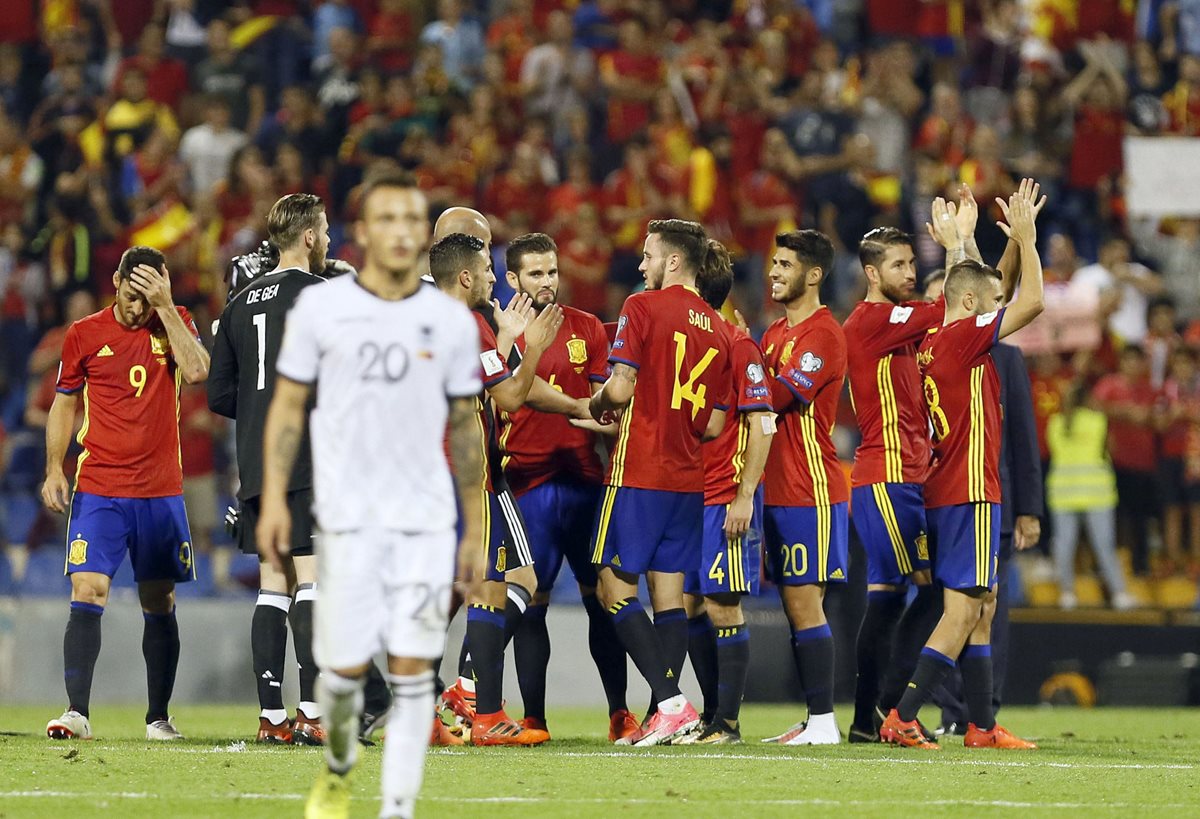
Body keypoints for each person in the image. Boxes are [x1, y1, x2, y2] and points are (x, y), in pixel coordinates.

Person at [255, 170, 486, 819]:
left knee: (413, 673)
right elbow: (287, 406)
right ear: (363, 231)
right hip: (347, 516)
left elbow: (466, 426)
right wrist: (273, 497)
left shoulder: (448, 321)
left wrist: (474, 528)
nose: (400, 231)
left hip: (424, 519)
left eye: (411, 219)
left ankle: (397, 806)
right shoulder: (323, 309)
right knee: (343, 669)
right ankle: (337, 767)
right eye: (387, 218)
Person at [879, 188, 1044, 750]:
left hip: (946, 488)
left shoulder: (934, 339)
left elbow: (976, 286)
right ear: (974, 305)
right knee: (964, 608)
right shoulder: (964, 339)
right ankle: (903, 716)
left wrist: (960, 243)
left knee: (983, 606)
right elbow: (1032, 302)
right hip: (970, 491)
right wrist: (1026, 238)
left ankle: (981, 725)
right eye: (993, 302)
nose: (1001, 305)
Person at [43, 245, 210, 741]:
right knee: (87, 588)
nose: (137, 308)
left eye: (146, 297)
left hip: (160, 491)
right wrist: (54, 468)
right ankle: (76, 713)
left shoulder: (174, 322)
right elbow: (63, 403)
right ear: (115, 282)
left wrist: (166, 306)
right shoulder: (84, 333)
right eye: (130, 295)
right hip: (100, 488)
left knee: (158, 599)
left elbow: (198, 371)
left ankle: (158, 717)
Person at [429, 230, 589, 745]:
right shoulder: (467, 324)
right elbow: (513, 397)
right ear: (465, 276)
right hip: (466, 472)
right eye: (487, 270)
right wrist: (532, 345)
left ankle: (425, 714)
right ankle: (486, 713)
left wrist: (505, 345)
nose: (494, 279)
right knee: (490, 587)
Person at [589, 218, 731, 747]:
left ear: (673, 261)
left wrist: (596, 404)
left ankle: (670, 702)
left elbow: (620, 388)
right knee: (669, 599)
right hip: (687, 479)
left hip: (638, 472)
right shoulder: (720, 328)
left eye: (648, 255)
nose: (641, 264)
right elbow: (713, 425)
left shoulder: (642, 306)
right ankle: (662, 717)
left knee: (612, 588)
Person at [497, 232, 637, 742]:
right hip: (526, 482)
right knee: (530, 600)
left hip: (583, 481)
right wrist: (580, 407)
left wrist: (611, 420)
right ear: (513, 278)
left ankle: (619, 713)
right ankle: (533, 718)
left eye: (552, 272)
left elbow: (605, 406)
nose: (547, 282)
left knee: (602, 596)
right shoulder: (502, 332)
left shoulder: (587, 327)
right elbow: (520, 394)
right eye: (535, 273)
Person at [207, 193, 332, 745]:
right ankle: (311, 712)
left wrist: (260, 407)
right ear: (308, 236)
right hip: (307, 456)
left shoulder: (237, 305)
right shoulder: (321, 296)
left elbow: (219, 394)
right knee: (312, 580)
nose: (327, 240)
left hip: (256, 462)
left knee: (272, 584)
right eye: (324, 231)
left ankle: (271, 717)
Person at [841, 225, 944, 743]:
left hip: (908, 477)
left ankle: (872, 715)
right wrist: (960, 245)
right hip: (885, 477)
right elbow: (952, 307)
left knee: (903, 595)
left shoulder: (898, 327)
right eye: (898, 265)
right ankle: (882, 709)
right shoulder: (870, 321)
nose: (910, 273)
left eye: (912, 263)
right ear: (871, 272)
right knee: (915, 591)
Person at [679, 239, 774, 745]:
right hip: (689, 496)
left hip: (724, 496)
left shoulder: (739, 345)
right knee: (691, 603)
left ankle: (729, 723)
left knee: (722, 606)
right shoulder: (695, 343)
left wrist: (745, 495)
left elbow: (763, 423)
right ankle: (712, 714)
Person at [758, 230, 849, 746]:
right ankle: (813, 717)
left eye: (785, 264)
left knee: (805, 604)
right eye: (774, 263)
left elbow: (775, 395)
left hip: (810, 489)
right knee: (795, 608)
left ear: (813, 275)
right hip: (779, 488)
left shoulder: (823, 335)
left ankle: (823, 721)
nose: (773, 272)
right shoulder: (775, 333)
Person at [1045, 383, 1135, 610]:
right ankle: (1119, 594)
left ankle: (1066, 594)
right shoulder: (1098, 421)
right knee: (1104, 545)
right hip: (1096, 493)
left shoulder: (1056, 423)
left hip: (1063, 493)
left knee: (1064, 545)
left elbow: (1053, 450)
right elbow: (1110, 449)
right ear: (1087, 400)